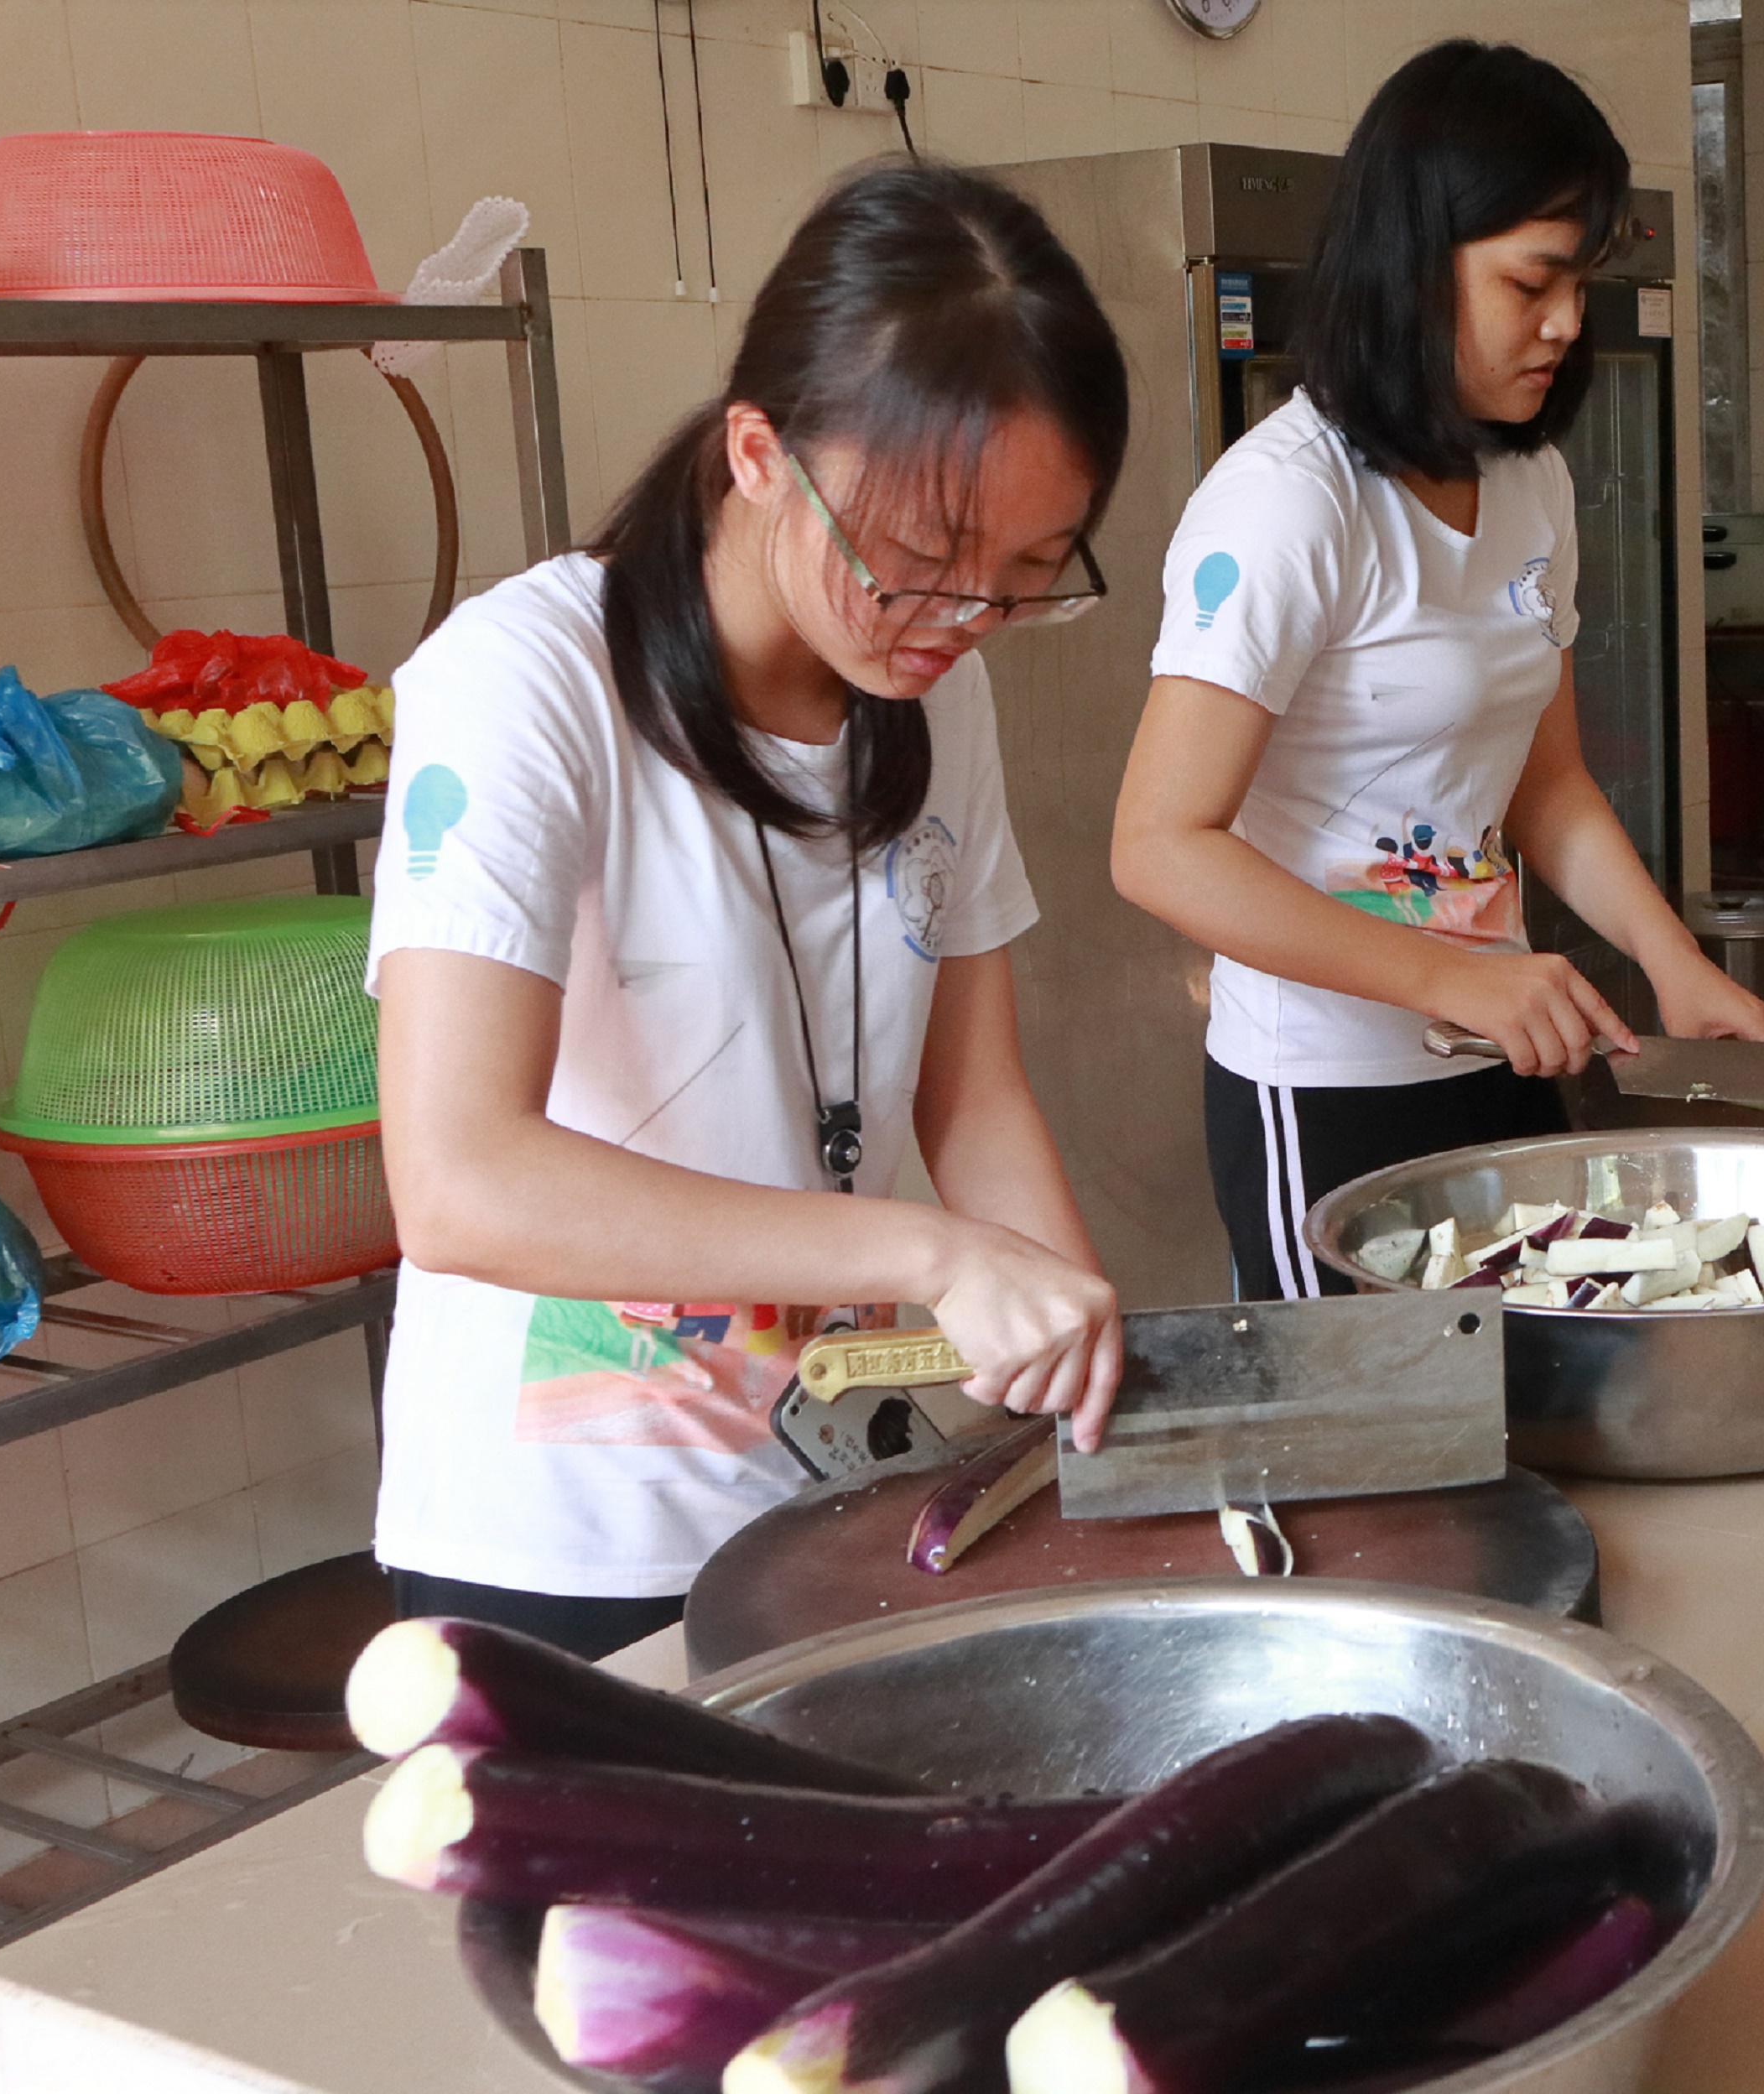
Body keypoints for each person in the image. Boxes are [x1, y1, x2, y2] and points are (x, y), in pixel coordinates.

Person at [366, 164, 1130, 1657]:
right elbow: (458, 1180)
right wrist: (931, 1259)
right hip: (568, 1538)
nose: (963, 623)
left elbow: (967, 1098)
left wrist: (1076, 1358)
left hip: (843, 1489)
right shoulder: (524, 684)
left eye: (1027, 576)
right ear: (759, 453)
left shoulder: (933, 688)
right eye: (916, 563)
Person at [1110, 39, 1764, 1303]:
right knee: (1366, 1466)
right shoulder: (1285, 505)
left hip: (1492, 1060)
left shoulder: (1533, 480)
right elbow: (1158, 844)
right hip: (1321, 1085)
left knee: (1504, 1416)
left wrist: (1670, 959)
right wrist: (1450, 975)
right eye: (1533, 281)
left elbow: (1551, 784)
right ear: (1418, 263)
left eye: (1583, 280)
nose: (1569, 320)